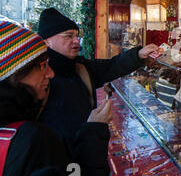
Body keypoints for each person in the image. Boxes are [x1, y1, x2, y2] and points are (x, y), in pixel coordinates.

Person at [0, 21, 111, 176]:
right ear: (16, 75)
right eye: (42, 66)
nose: (50, 74)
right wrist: (93, 132)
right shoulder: (33, 140)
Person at [36, 8, 158, 149]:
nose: (76, 41)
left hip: (86, 153)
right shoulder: (38, 78)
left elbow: (111, 66)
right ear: (46, 42)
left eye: (77, 36)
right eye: (68, 36)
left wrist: (138, 55)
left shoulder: (80, 68)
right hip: (55, 161)